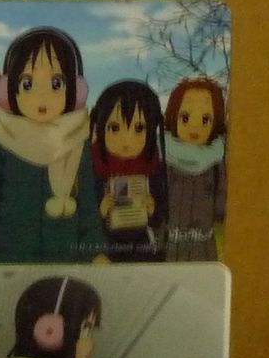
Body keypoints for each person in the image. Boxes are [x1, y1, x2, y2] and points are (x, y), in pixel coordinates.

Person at [0, 27, 109, 265]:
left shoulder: (78, 140)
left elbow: (88, 207)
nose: (41, 97)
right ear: (8, 89)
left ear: (76, 89)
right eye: (27, 83)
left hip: (65, 266)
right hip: (2, 262)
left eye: (56, 83)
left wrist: (97, 252)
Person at [89, 79, 167, 262]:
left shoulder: (152, 168)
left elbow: (162, 214)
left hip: (141, 247)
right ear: (100, 127)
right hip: (104, 248)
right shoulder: (93, 168)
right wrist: (100, 212)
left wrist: (153, 210)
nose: (126, 140)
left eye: (139, 128)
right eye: (115, 128)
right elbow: (81, 218)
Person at [162, 77, 227, 261]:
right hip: (169, 250)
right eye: (185, 118)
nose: (195, 126)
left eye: (206, 119)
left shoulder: (215, 162)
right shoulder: (165, 158)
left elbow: (222, 204)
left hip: (203, 251)